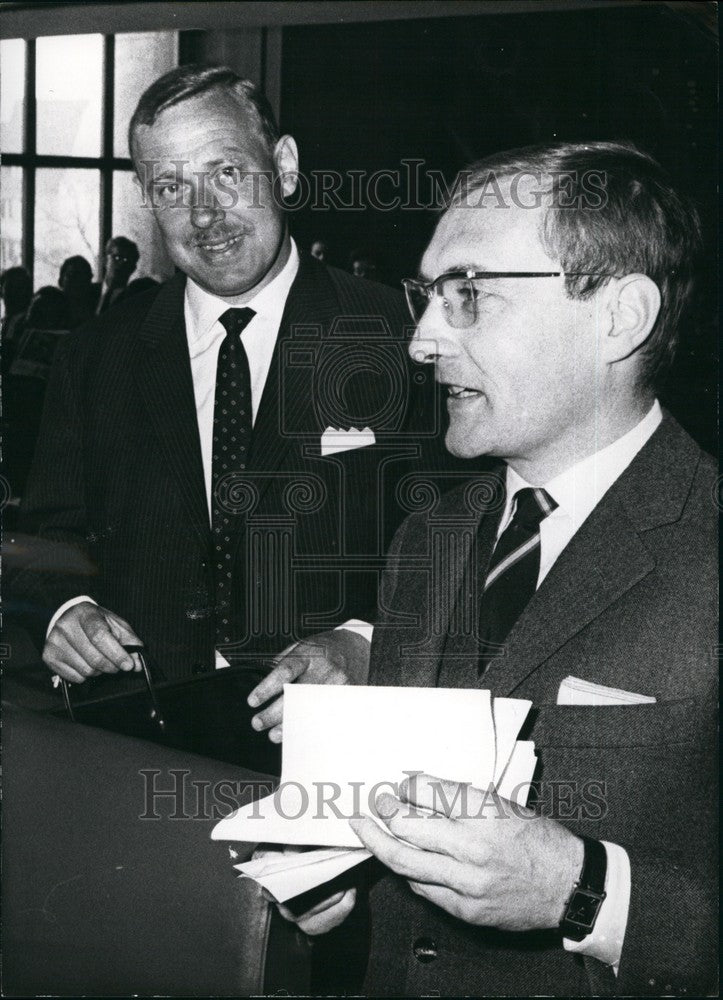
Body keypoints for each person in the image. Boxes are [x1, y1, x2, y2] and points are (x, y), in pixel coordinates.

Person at [263, 142, 717, 995]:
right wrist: (333, 874)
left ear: (619, 314)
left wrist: (584, 894)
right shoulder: (427, 537)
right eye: (427, 296)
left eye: (468, 294)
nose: (421, 340)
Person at [14, 65, 463, 720]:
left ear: (282, 167)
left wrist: (364, 641)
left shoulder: (402, 339)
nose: (203, 214)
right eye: (171, 185)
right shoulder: (94, 355)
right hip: (136, 728)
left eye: (226, 173)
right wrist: (66, 610)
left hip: (335, 736)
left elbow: (462, 536)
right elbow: (43, 538)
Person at [92, 236, 140, 314]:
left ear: (133, 268)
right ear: (105, 260)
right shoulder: (88, 292)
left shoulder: (133, 301)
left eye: (126, 260)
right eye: (116, 257)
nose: (121, 264)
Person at [59, 255, 95, 328]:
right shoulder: (49, 306)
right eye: (72, 275)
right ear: (60, 280)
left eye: (83, 277)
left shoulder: (97, 308)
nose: (77, 282)